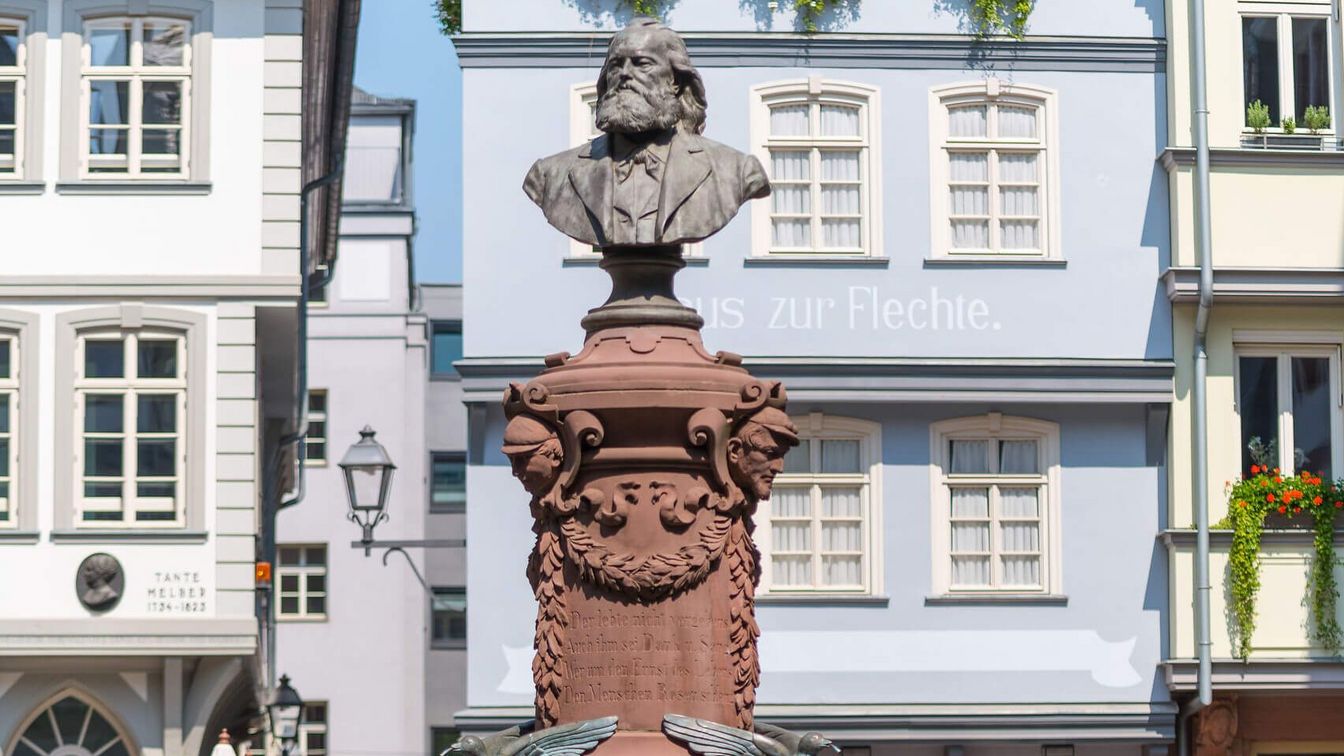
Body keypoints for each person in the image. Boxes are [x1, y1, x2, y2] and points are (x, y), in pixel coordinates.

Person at [523, 18, 770, 247]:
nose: (625, 74)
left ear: (675, 81)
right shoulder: (551, 174)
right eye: (615, 65)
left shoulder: (734, 170)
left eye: (642, 64)